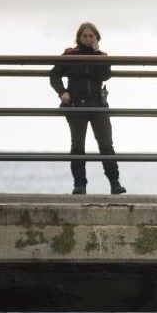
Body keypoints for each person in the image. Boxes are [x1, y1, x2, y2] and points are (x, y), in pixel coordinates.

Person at [49, 22, 126, 195]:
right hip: (76, 105)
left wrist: (96, 54)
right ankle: (79, 185)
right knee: (78, 146)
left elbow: (105, 75)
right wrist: (62, 92)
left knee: (106, 144)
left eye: (91, 36)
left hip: (98, 104)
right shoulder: (70, 54)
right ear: (79, 38)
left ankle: (115, 183)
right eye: (85, 35)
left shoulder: (102, 56)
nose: (88, 38)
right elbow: (54, 74)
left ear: (97, 38)